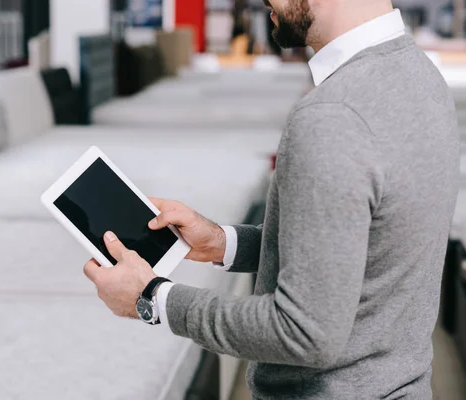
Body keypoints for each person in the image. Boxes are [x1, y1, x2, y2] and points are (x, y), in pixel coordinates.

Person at [83, 0, 460, 397]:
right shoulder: (419, 74)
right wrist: (222, 243)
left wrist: (153, 298)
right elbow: (361, 257)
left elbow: (303, 331)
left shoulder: (332, 117)